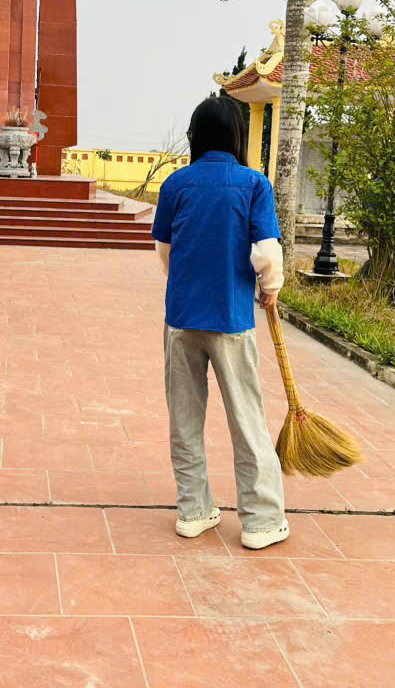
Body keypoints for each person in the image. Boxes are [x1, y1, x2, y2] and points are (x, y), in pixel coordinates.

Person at [150, 96, 289, 550]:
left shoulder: (176, 183)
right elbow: (266, 251)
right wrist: (271, 285)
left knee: (185, 419)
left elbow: (166, 253)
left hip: (182, 318)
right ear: (235, 135)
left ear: (195, 135)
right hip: (231, 318)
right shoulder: (253, 183)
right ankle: (261, 521)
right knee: (247, 419)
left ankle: (193, 511)